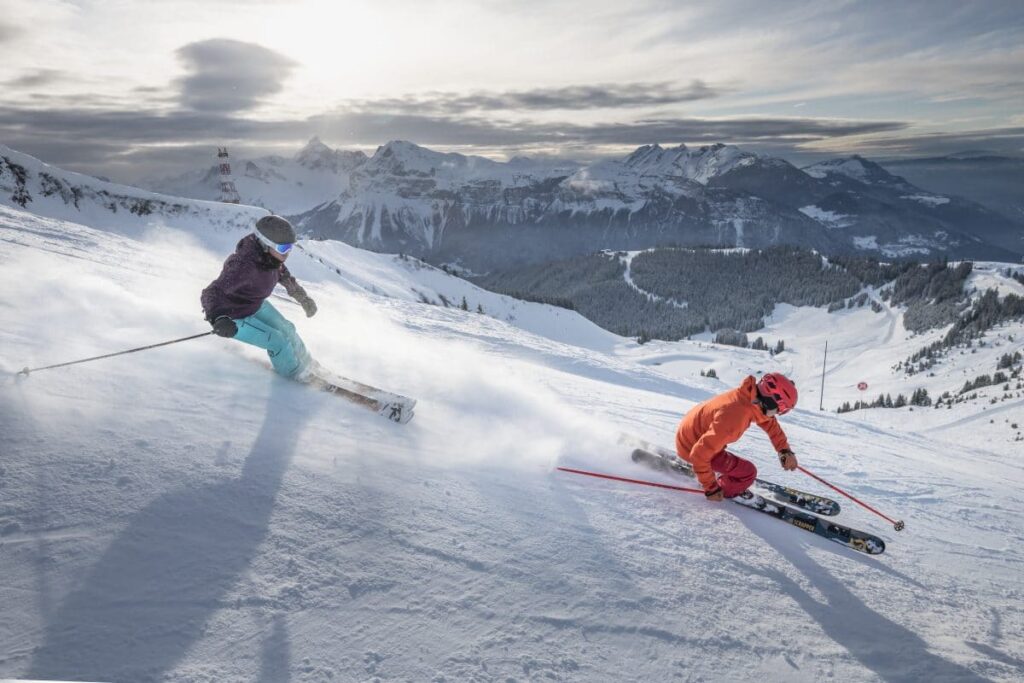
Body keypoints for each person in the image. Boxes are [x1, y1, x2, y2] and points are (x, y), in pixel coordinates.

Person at [201, 215, 318, 380]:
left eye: (290, 247)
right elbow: (211, 292)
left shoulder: (272, 260)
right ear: (266, 244)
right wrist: (217, 317)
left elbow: (284, 277)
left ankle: (307, 363)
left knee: (287, 329)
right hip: (233, 316)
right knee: (278, 341)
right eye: (284, 248)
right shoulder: (243, 266)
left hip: (254, 304)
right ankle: (295, 374)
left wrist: (303, 299)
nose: (288, 253)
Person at [675, 373, 799, 502]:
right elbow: (699, 454)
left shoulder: (748, 397)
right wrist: (711, 488)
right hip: (691, 447)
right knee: (748, 473)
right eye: (782, 408)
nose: (779, 412)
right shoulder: (736, 417)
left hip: (691, 435)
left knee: (722, 454)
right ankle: (723, 489)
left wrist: (784, 449)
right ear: (771, 399)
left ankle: (713, 474)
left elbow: (768, 422)